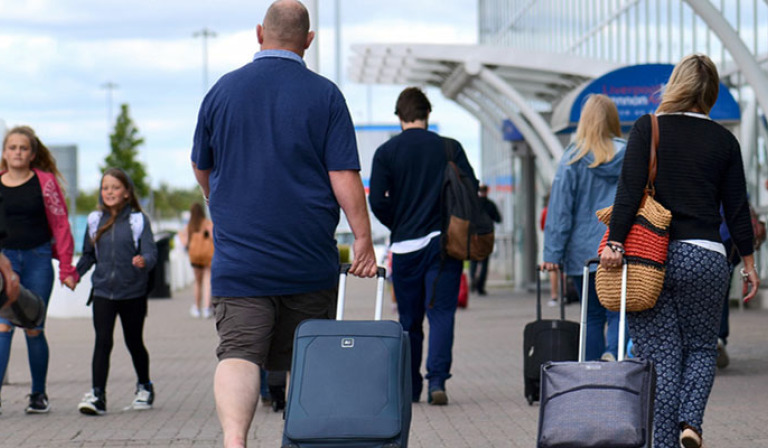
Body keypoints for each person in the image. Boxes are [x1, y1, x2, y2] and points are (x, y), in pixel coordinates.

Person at [190, 1, 377, 446]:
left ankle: (235, 441)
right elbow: (344, 176)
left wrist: (219, 199)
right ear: (308, 41)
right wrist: (364, 240)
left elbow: (202, 167)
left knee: (238, 354)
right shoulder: (326, 95)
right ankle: (303, 438)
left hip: (240, 263)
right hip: (307, 259)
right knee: (307, 358)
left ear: (260, 33)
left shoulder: (222, 91)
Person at [600, 54, 759, 448]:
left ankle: (665, 443)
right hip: (706, 256)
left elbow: (629, 191)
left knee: (661, 357)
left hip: (652, 258)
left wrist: (616, 242)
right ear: (711, 93)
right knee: (703, 347)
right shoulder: (725, 140)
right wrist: (750, 263)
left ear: (676, 86)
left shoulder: (648, 127)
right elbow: (738, 208)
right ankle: (691, 422)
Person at [369, 86, 477, 406]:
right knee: (441, 313)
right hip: (444, 245)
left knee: (409, 320)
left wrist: (398, 223)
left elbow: (376, 200)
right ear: (427, 115)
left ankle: (411, 386)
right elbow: (470, 189)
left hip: (404, 248)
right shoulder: (449, 148)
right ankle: (437, 382)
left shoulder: (386, 153)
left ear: (399, 117)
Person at [542, 94, 627, 362]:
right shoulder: (629, 153)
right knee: (619, 311)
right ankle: (615, 356)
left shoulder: (572, 158)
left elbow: (560, 211)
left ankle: (591, 373)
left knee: (590, 315)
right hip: (621, 246)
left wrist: (552, 255)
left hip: (583, 254)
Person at [0, 126, 78, 415]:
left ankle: (38, 394)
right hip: (4, 262)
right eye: (12, 148)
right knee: (3, 326)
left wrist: (68, 267)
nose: (17, 152)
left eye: (23, 148)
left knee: (33, 327)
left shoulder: (44, 183)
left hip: (37, 259)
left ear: (32, 154)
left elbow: (60, 224)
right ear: (5, 153)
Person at [75, 168, 158, 416]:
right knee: (103, 342)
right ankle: (98, 395)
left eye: (115, 187)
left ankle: (145, 387)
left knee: (134, 341)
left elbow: (152, 252)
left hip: (132, 291)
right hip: (102, 291)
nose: (109, 192)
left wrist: (144, 260)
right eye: (105, 187)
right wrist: (75, 275)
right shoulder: (93, 220)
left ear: (126, 192)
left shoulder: (138, 220)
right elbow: (88, 256)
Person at [178, 202, 214, 318]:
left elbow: (184, 243)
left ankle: (197, 308)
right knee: (207, 281)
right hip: (207, 256)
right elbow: (214, 238)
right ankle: (206, 308)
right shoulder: (207, 224)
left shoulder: (190, 226)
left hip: (195, 257)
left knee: (197, 282)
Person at [469, 185, 501, 296]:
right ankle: (480, 287)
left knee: (473, 260)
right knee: (484, 262)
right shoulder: (490, 204)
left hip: (474, 235)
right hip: (487, 234)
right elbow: (498, 219)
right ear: (487, 191)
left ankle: (473, 279)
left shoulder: (473, 204)